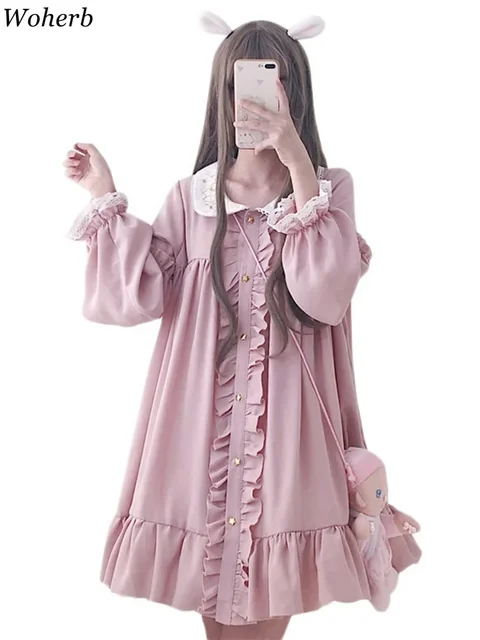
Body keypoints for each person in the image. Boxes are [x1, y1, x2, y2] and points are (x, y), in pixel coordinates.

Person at [64, 14, 420, 640]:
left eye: (269, 86)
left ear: (293, 95)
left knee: (271, 581)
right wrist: (103, 194)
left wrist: (297, 162)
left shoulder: (327, 192)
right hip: (198, 428)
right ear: (221, 96)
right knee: (215, 582)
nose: (250, 103)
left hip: (291, 433)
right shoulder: (192, 199)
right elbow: (132, 298)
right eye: (238, 87)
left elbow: (324, 295)